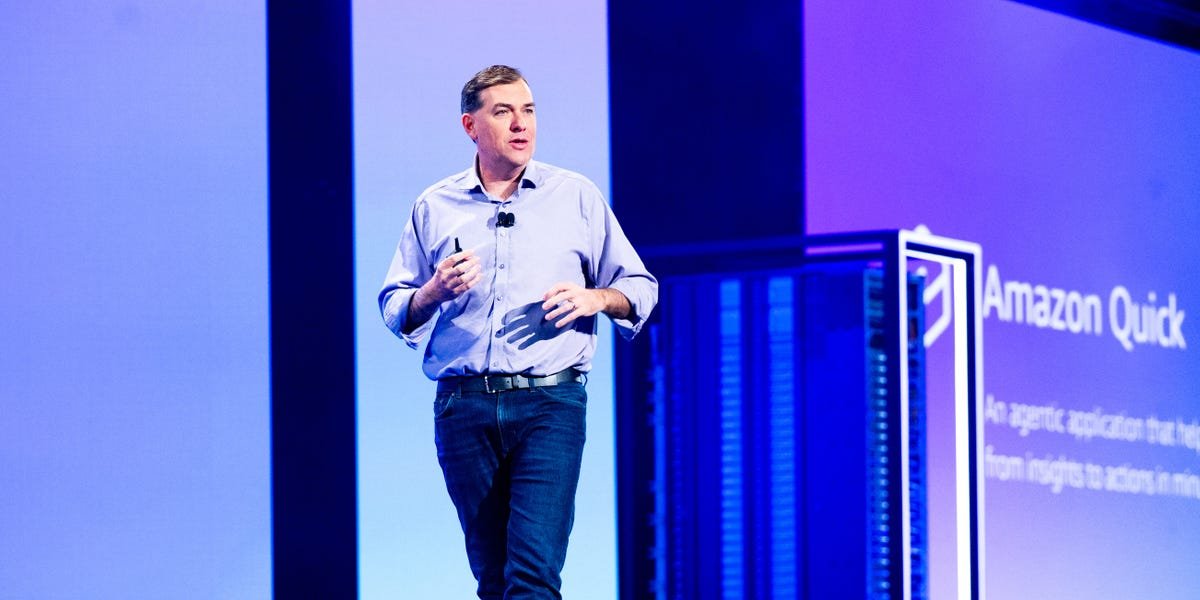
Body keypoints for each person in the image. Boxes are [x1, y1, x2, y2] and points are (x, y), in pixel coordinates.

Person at [379, 65, 658, 599]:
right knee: (493, 579)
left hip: (550, 405)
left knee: (532, 576)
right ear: (471, 126)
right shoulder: (435, 205)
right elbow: (395, 305)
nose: (520, 124)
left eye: (528, 111)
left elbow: (640, 287)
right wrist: (433, 291)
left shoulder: (575, 196)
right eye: (503, 111)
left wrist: (596, 298)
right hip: (463, 408)